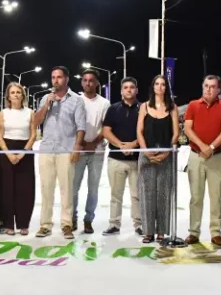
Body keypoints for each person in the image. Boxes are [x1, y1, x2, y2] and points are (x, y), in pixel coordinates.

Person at [34, 66, 86, 239]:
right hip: (47, 149)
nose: (55, 80)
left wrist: (77, 147)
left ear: (67, 79)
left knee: (67, 189)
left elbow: (81, 127)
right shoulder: (45, 99)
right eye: (53, 77)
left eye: (59, 77)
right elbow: (36, 122)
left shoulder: (77, 100)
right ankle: (45, 224)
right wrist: (47, 104)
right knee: (46, 188)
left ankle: (66, 224)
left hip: (66, 149)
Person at [183, 75, 221, 246]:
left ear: (218, 89)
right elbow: (188, 129)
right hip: (196, 156)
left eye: (212, 86)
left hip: (216, 157)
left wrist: (210, 148)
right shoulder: (193, 105)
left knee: (215, 196)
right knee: (196, 197)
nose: (209, 89)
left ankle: (215, 232)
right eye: (206, 86)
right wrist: (202, 146)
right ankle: (193, 232)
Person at [137, 75, 179, 244]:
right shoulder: (144, 107)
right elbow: (139, 131)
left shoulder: (172, 107)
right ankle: (148, 231)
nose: (160, 87)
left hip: (166, 155)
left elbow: (176, 132)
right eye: (157, 84)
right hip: (146, 155)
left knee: (163, 194)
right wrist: (145, 151)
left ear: (166, 88)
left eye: (163, 84)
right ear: (153, 86)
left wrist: (168, 151)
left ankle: (161, 231)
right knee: (147, 194)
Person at [102, 77, 142, 236]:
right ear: (121, 91)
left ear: (136, 90)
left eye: (132, 87)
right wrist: (121, 145)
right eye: (126, 87)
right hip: (116, 159)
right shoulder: (113, 109)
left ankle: (139, 224)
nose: (129, 90)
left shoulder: (143, 108)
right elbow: (106, 131)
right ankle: (114, 224)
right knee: (115, 195)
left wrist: (133, 145)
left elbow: (146, 132)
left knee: (137, 195)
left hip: (137, 160)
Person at [72, 68, 110, 234]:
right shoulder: (75, 101)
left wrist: (93, 143)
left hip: (97, 151)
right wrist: (80, 144)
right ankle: (72, 218)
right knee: (73, 187)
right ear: (82, 82)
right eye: (85, 80)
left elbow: (106, 127)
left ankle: (88, 220)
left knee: (93, 188)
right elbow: (71, 125)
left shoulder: (104, 103)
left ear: (96, 83)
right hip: (77, 151)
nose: (88, 83)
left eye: (91, 80)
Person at [0, 82, 36, 235]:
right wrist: (8, 154)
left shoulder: (30, 113)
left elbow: (33, 135)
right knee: (7, 189)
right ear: (8, 96)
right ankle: (8, 224)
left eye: (18, 92)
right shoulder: (3, 113)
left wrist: (22, 153)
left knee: (25, 189)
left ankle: (23, 224)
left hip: (25, 153)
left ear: (22, 95)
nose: (15, 95)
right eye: (12, 92)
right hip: (6, 152)